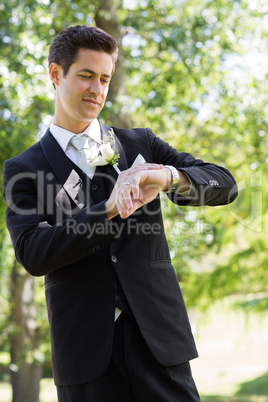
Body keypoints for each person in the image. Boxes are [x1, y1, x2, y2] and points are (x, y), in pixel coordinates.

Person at [3, 25, 238, 402]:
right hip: (85, 355)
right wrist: (107, 209)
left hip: (160, 342)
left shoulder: (139, 143)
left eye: (105, 78)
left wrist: (169, 176)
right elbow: (33, 252)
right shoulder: (23, 168)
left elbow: (225, 183)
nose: (97, 89)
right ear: (55, 74)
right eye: (85, 76)